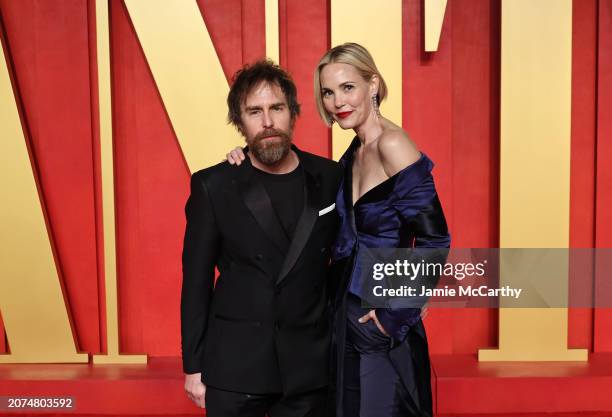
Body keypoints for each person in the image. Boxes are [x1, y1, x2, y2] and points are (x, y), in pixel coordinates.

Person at [227, 43, 450, 417]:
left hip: (376, 324)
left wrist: (396, 313)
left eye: (348, 88)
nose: (336, 102)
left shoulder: (393, 144)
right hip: (341, 315)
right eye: (328, 92)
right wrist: (244, 157)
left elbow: (435, 238)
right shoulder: (354, 152)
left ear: (373, 85)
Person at [181, 59, 342, 417]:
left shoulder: (330, 176)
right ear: (240, 122)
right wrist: (192, 365)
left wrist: (409, 292)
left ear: (293, 113)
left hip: (309, 369)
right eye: (254, 111)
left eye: (277, 108)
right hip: (235, 367)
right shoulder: (215, 185)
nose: (267, 122)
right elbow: (196, 281)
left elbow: (358, 249)